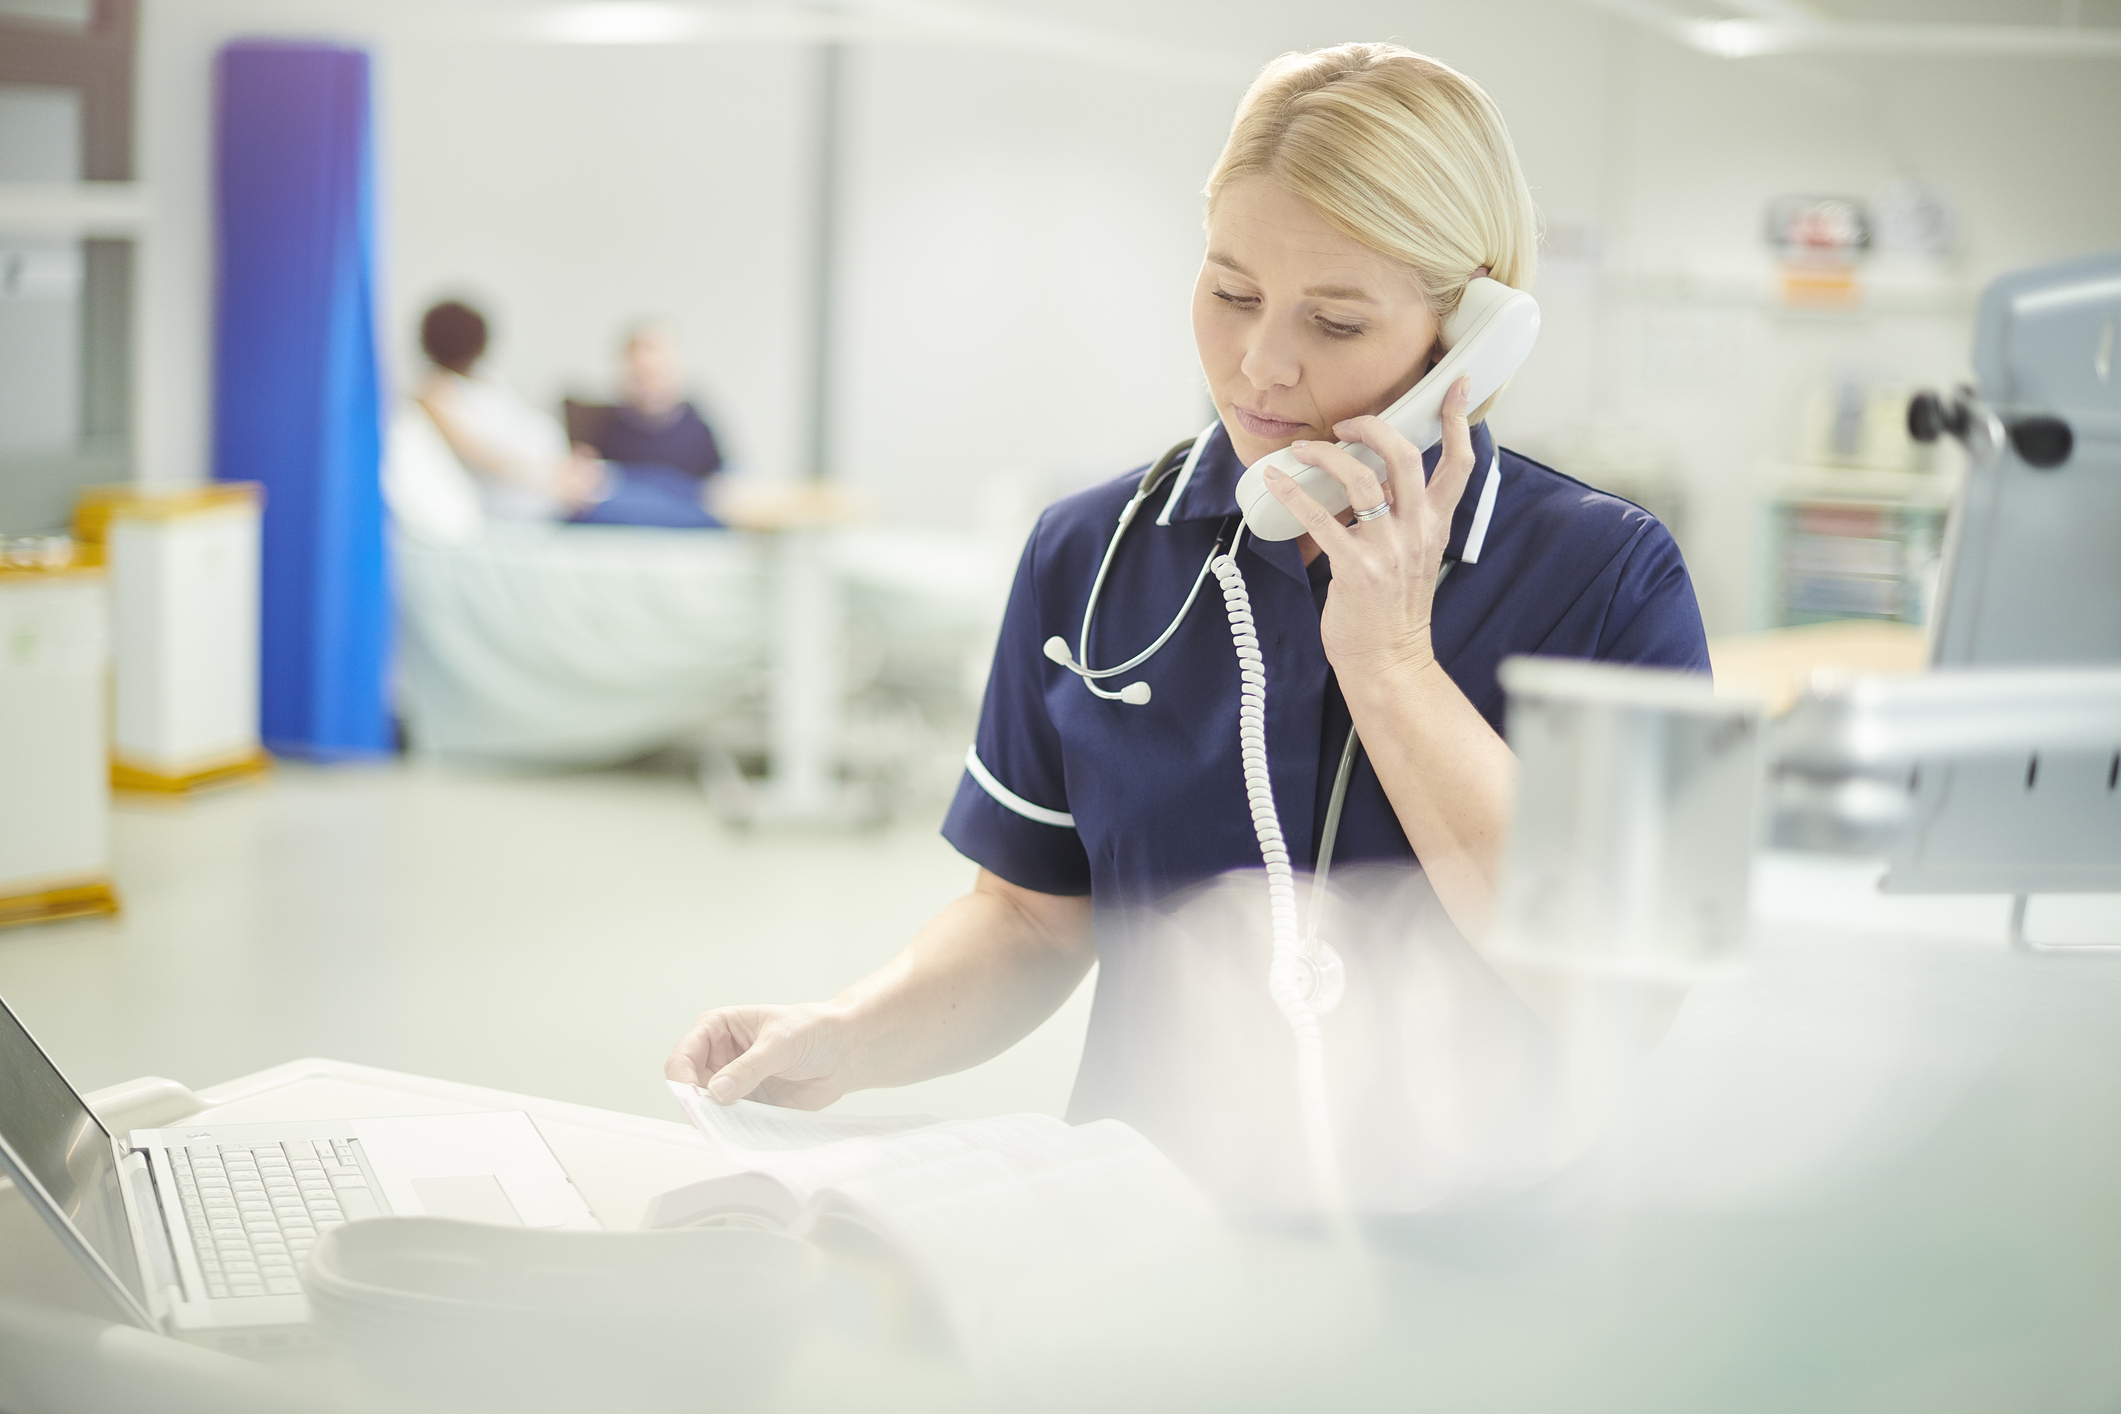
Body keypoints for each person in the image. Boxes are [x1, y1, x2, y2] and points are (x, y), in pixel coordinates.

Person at [666, 46, 1711, 1161]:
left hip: (1480, 1274)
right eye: (1231, 292)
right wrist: (847, 1032)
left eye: (1337, 323)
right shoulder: (1090, 554)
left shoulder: (1622, 576)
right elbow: (1029, 916)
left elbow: (1631, 992)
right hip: (1151, 1249)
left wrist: (1396, 662)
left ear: (1468, 339)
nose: (1261, 364)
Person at [413, 300, 606, 523]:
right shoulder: (436, 392)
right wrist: (555, 483)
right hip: (533, 497)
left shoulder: (480, 379)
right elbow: (483, 457)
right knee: (645, 501)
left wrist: (569, 467)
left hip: (556, 481)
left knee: (642, 488)